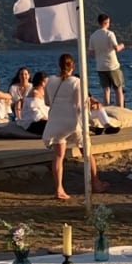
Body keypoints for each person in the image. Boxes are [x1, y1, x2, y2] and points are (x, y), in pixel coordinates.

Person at [43, 53, 93, 200]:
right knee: (86, 151)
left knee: (58, 156)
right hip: (72, 121)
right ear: (73, 66)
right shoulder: (76, 81)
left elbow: (47, 102)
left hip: (55, 121)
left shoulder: (50, 80)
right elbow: (79, 105)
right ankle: (96, 183)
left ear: (59, 65)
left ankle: (59, 189)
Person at [89, 12, 126, 106]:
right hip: (112, 65)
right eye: (109, 22)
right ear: (106, 22)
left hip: (100, 67)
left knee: (106, 89)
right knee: (118, 88)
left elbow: (91, 54)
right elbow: (116, 48)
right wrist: (122, 45)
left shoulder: (93, 36)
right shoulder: (110, 34)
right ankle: (120, 108)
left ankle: (106, 107)